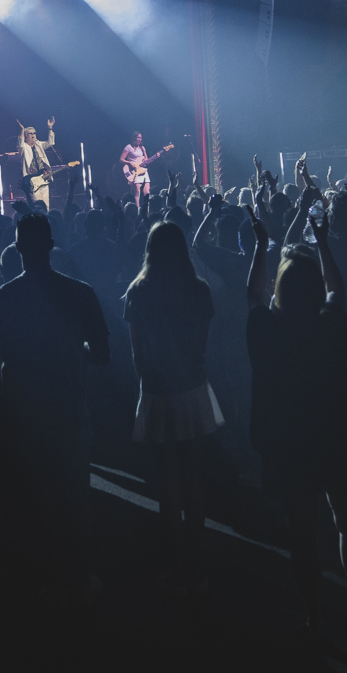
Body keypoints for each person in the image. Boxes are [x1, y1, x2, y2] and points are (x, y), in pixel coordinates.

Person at [246, 206, 347, 644]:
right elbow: (338, 288)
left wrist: (261, 246)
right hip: (336, 433)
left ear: (282, 291)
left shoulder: (268, 328)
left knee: (303, 534)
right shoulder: (329, 323)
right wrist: (322, 242)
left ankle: (315, 621)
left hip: (290, 440)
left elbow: (253, 296)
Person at [0, 213, 110, 602]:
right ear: (51, 245)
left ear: (17, 248)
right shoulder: (80, 293)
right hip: (69, 408)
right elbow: (102, 355)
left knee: (34, 500)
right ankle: (78, 578)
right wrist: (73, 352)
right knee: (73, 497)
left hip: (22, 414)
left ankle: (46, 581)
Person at [123, 220, 222, 591]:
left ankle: (176, 559)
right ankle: (196, 556)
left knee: (166, 477)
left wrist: (146, 384)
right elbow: (201, 344)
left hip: (158, 387)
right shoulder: (198, 289)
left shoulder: (139, 291)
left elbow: (137, 351)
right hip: (191, 385)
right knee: (192, 471)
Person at [20, 118, 58, 209]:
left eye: (34, 133)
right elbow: (20, 143)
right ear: (26, 136)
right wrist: (22, 130)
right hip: (32, 181)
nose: (33, 135)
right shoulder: (24, 147)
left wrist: (50, 128)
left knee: (46, 206)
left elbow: (51, 142)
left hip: (43, 178)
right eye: (30, 133)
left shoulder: (39, 144)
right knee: (37, 206)